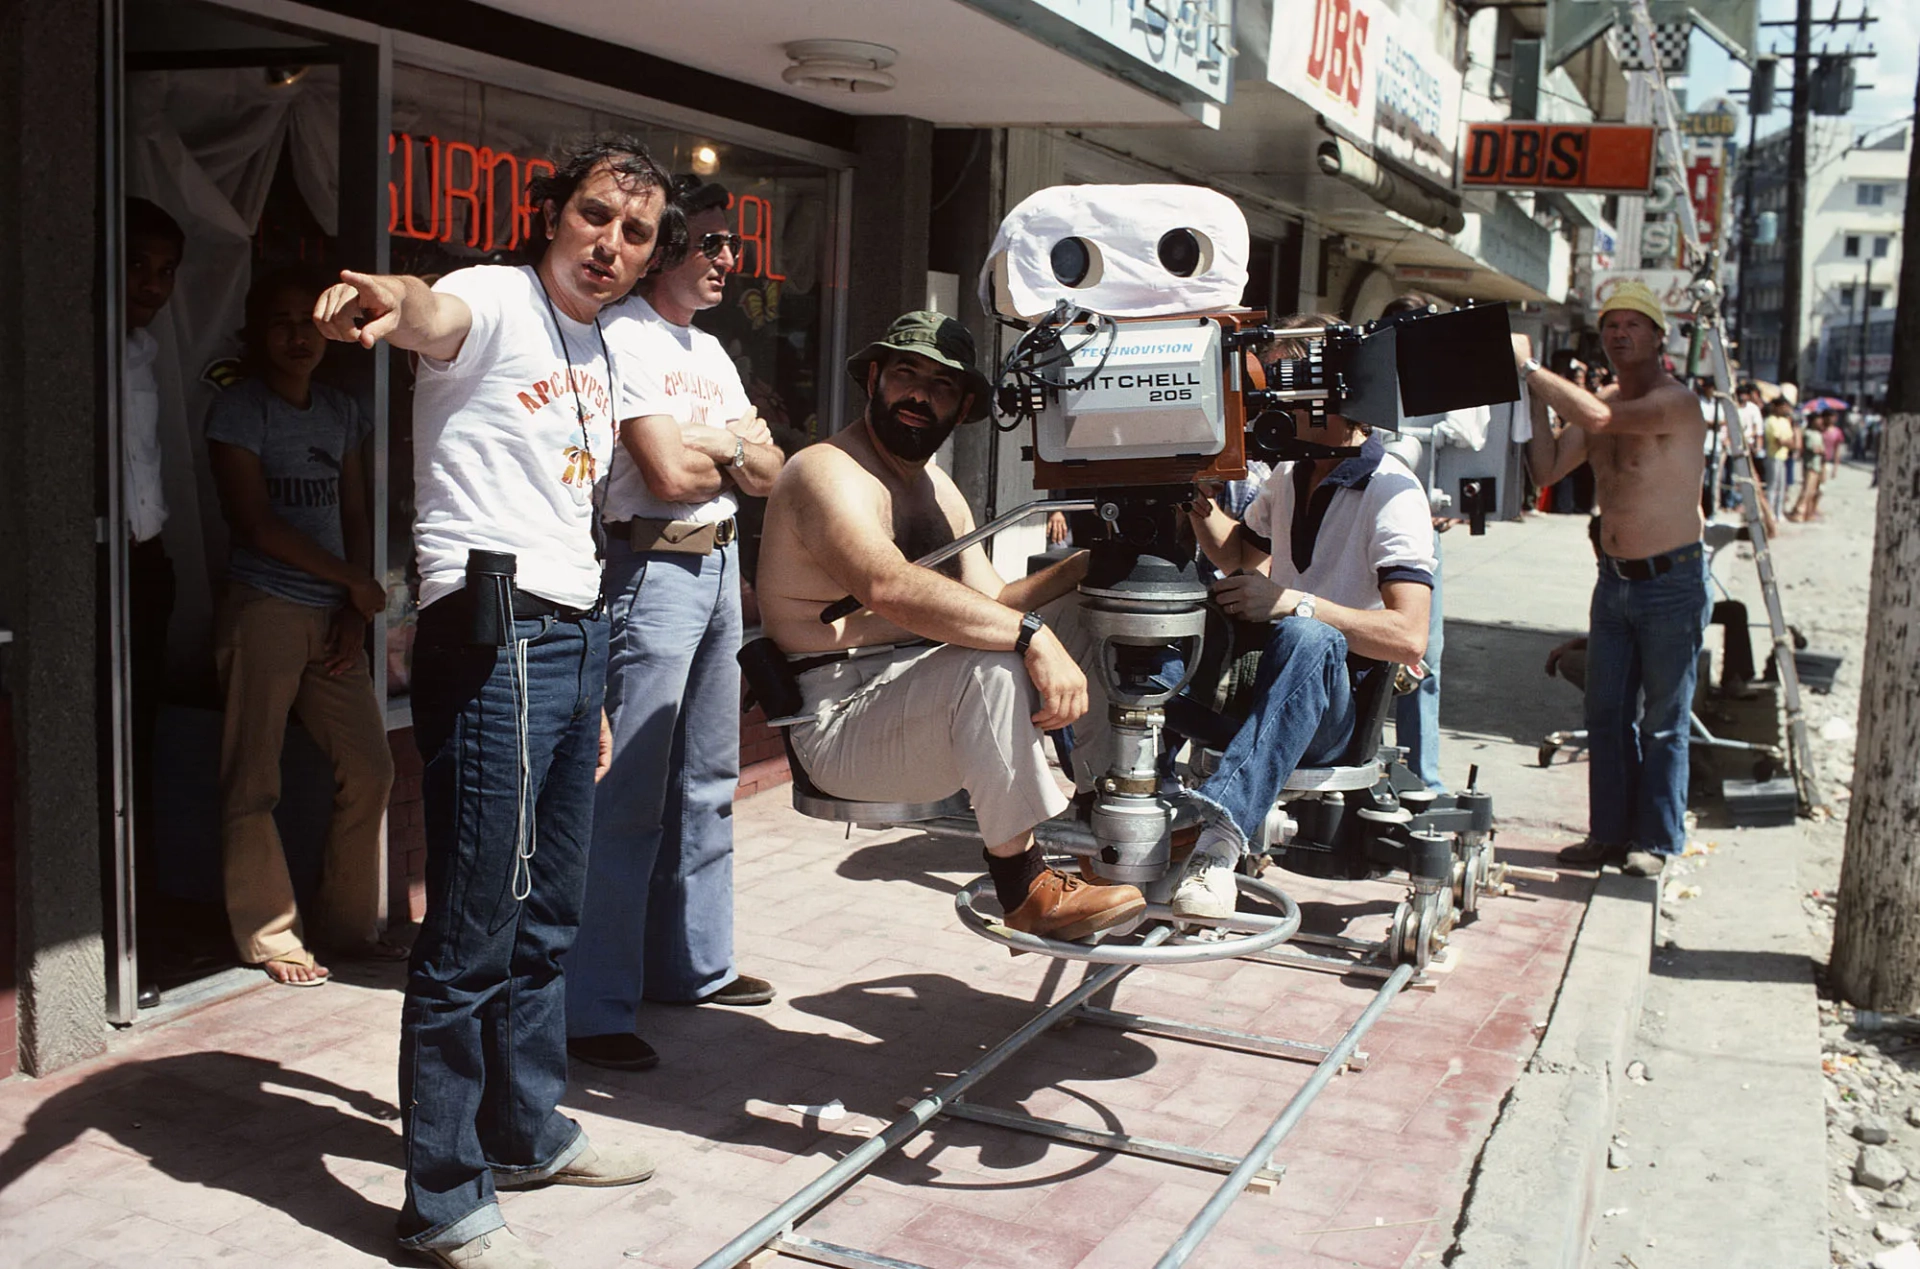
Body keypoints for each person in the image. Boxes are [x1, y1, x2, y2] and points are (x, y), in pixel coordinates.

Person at [312, 136, 673, 1269]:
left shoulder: (601, 342)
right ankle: (445, 1199)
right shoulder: (494, 296)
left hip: (568, 631)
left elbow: (578, 518)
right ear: (551, 213)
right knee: (471, 927)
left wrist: (597, 691)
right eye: (596, 217)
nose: (611, 245)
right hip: (495, 626)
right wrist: (388, 298)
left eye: (636, 231)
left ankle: (524, 1130)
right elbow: (428, 313)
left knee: (548, 911)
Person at [758, 312, 1149, 941]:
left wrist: (1087, 565)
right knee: (994, 661)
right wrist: (1029, 635)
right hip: (836, 722)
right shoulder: (824, 471)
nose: (918, 395)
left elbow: (995, 598)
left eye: (941, 387)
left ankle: (1110, 809)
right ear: (874, 379)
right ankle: (1023, 888)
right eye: (905, 375)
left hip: (916, 701)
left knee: (1083, 612)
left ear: (962, 405)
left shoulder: (936, 487)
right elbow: (887, 586)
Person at [566, 177, 787, 1074]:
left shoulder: (711, 350)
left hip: (722, 561)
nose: (728, 261)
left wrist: (728, 452)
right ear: (666, 252)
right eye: (712, 246)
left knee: (707, 775)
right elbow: (662, 470)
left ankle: (693, 963)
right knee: (629, 793)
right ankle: (593, 1004)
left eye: (732, 248)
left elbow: (774, 468)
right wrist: (733, 448)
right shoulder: (625, 335)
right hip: (650, 562)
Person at [1174, 314, 1434, 913]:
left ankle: (1220, 839)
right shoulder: (1290, 474)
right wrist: (1192, 494)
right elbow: (1237, 554)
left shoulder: (1394, 491)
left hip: (1337, 712)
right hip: (1263, 688)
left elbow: (1410, 637)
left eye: (1291, 385)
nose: (1274, 399)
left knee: (1306, 634)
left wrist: (1295, 602)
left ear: (1340, 399)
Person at [206, 268, 396, 989]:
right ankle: (270, 934)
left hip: (331, 617)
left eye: (305, 322)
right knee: (253, 776)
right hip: (265, 610)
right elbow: (254, 524)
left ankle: (349, 928)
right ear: (257, 335)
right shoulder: (238, 410)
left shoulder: (342, 411)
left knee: (371, 768)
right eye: (278, 322)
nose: (296, 336)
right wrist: (349, 582)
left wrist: (351, 606)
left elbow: (355, 513)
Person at [1516, 280, 1709, 878]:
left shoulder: (1674, 401)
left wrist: (1528, 369)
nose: (1620, 334)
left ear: (1658, 335)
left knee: (1663, 721)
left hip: (1670, 580)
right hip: (1615, 581)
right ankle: (1607, 834)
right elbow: (1547, 466)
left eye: (1633, 324)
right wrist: (1528, 396)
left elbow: (1600, 416)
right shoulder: (1597, 398)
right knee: (1605, 714)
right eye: (1611, 325)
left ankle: (1655, 841)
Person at [123, 197, 184, 1008]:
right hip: (89, 564)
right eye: (137, 263)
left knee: (142, 744)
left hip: (146, 561)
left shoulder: (142, 350)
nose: (151, 284)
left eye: (167, 272)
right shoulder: (75, 349)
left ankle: (140, 925)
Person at [1762, 398, 1796, 519]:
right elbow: (1778, 441)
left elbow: (1792, 441)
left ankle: (1778, 512)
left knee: (1782, 486)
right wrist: (1786, 442)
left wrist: (1787, 442)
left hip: (1783, 456)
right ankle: (1770, 512)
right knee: (1772, 486)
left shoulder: (1785, 421)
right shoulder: (1770, 421)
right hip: (1773, 456)